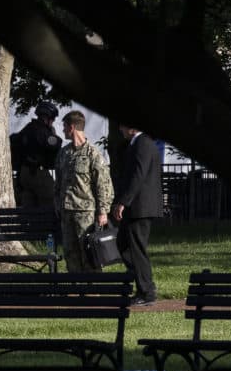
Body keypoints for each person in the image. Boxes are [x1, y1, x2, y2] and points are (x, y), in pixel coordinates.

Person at [54, 110, 113, 272]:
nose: (63, 130)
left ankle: (92, 290)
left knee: (89, 253)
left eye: (65, 127)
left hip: (85, 212)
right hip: (67, 212)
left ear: (72, 127)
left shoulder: (92, 153)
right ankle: (76, 289)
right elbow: (58, 181)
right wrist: (57, 203)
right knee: (70, 253)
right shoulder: (64, 153)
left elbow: (104, 185)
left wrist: (103, 211)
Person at [112, 125, 162, 305]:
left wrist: (124, 201)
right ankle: (145, 284)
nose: (120, 129)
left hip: (141, 206)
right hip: (136, 206)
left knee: (136, 248)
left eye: (123, 126)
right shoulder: (136, 144)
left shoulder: (143, 143)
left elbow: (138, 175)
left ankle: (146, 291)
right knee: (123, 244)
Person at [12, 102, 62, 207]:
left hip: (23, 174)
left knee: (29, 204)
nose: (53, 122)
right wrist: (53, 135)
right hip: (37, 173)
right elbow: (56, 143)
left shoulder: (28, 128)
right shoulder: (42, 131)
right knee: (52, 201)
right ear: (47, 117)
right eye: (52, 119)